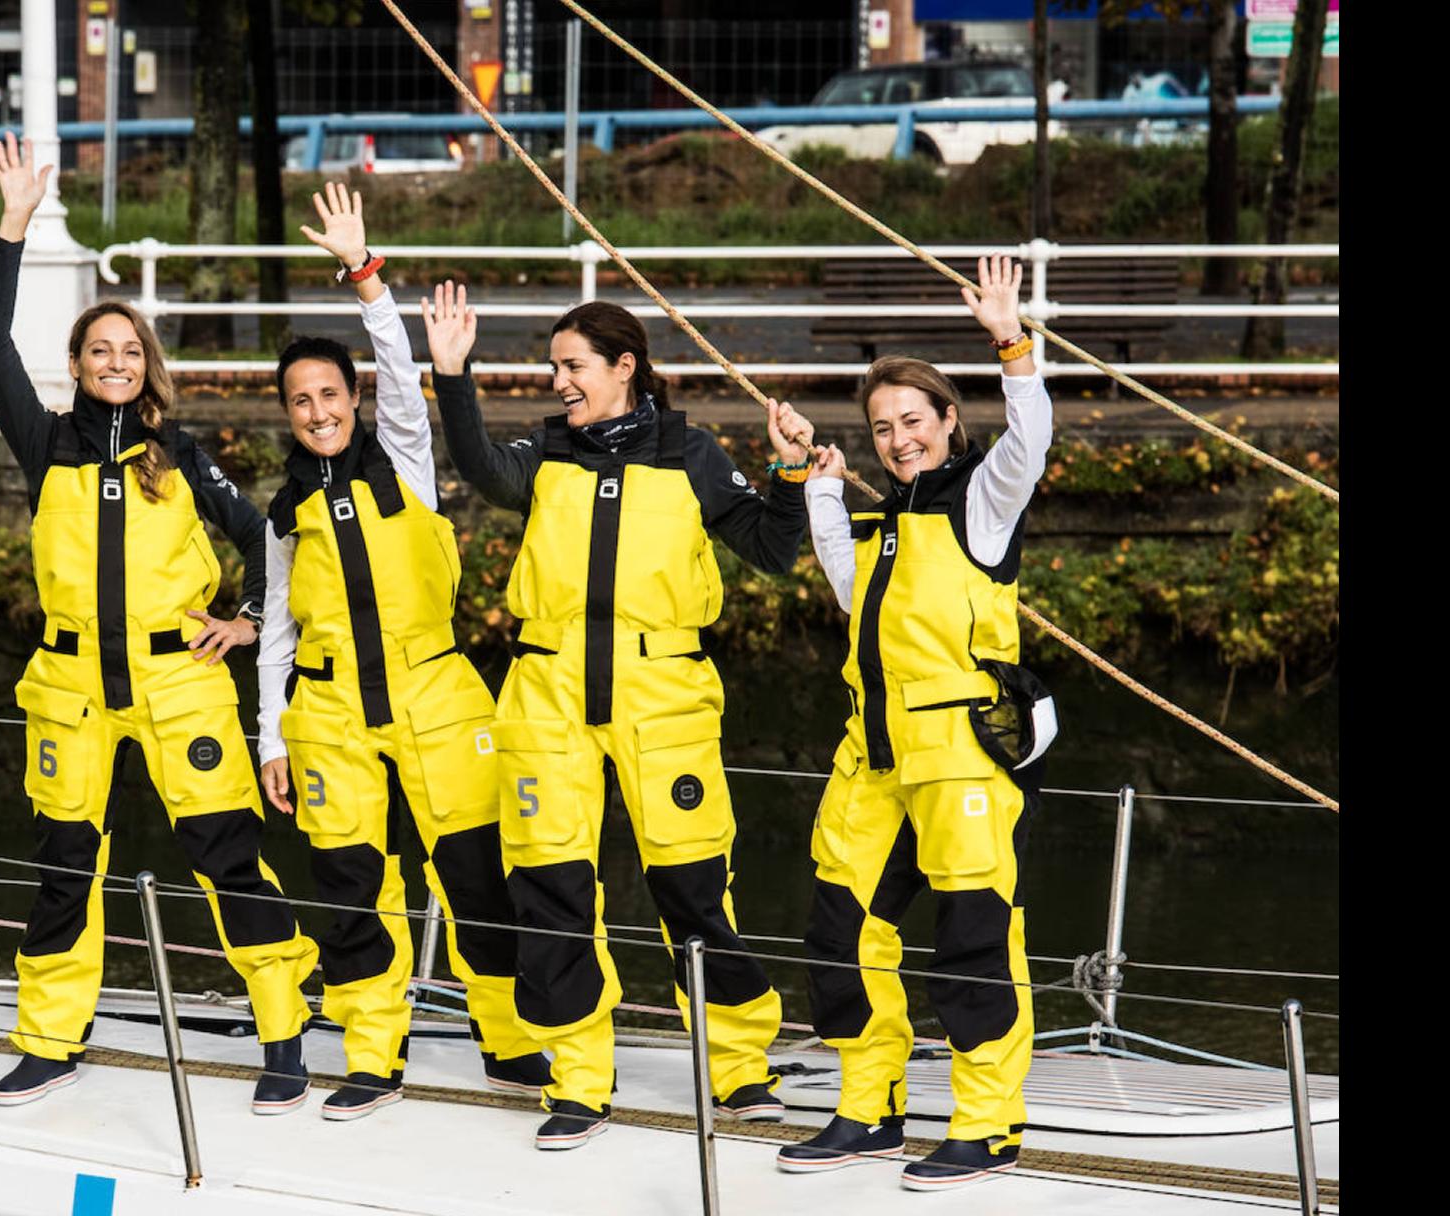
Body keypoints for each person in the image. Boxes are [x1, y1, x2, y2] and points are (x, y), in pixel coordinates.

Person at [423, 285, 816, 1150]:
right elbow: (485, 471)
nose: (559, 381)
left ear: (624, 366)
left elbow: (773, 548)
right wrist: (453, 374)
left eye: (573, 367)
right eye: (553, 367)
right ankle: (577, 1078)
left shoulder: (691, 452)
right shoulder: (548, 450)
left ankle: (741, 1065)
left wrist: (789, 472)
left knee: (692, 890)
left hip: (662, 693)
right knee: (552, 891)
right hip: (547, 691)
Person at [0, 134, 318, 1108]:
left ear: (146, 364)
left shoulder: (183, 452)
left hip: (180, 682)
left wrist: (251, 621)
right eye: (99, 350)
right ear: (79, 364)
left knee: (225, 858)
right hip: (73, 684)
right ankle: (50, 1033)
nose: (115, 361)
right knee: (63, 866)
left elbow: (268, 541)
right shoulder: (46, 447)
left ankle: (283, 1026)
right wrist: (13, 226)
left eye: (130, 350)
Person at [254, 183, 551, 1121]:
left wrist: (364, 275)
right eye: (300, 401)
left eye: (330, 394)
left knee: (474, 877)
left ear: (353, 400)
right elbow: (274, 639)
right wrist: (271, 739)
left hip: (437, 698)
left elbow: (398, 366)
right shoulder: (283, 514)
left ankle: (512, 1042)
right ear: (288, 413)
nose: (318, 411)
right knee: (349, 887)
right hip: (329, 714)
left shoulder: (405, 464)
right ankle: (372, 1052)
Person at [774, 255, 1054, 1191]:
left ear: (947, 424)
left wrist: (1011, 341)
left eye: (912, 423)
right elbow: (848, 588)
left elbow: (1034, 436)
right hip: (874, 757)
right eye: (884, 428)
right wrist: (815, 480)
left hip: (962, 757)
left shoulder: (983, 500)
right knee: (840, 928)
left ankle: (989, 1124)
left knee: (973, 938)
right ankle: (870, 1107)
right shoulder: (884, 524)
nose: (898, 440)